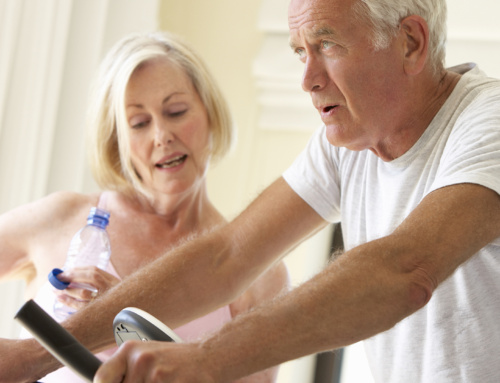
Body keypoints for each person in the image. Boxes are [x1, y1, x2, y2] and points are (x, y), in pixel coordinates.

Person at [1, 0, 499, 381]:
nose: (307, 79)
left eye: (327, 45)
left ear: (410, 42)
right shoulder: (347, 143)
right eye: (300, 52)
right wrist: (35, 356)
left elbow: (403, 270)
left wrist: (202, 360)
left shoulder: (487, 122)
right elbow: (227, 256)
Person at [0, 32, 288, 383]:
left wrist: (126, 321)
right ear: (115, 140)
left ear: (210, 114)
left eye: (176, 111)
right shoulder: (59, 219)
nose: (161, 135)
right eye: (139, 123)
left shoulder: (259, 272)